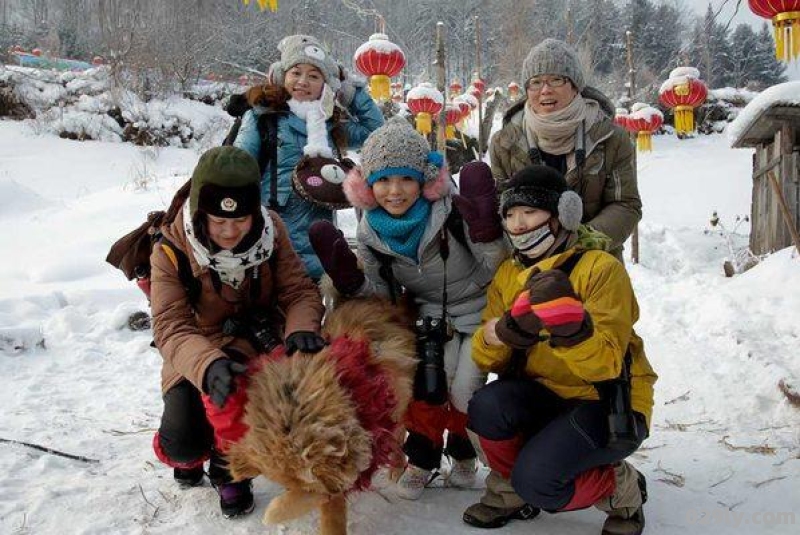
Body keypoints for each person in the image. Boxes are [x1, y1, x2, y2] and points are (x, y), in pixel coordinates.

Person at [308, 117, 509, 500]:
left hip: (481, 309)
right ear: (367, 186)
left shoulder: (450, 211)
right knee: (429, 385)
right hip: (431, 316)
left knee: (464, 389)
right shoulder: (370, 232)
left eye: (405, 179)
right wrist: (350, 281)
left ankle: (465, 452)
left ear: (424, 180)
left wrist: (485, 231)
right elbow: (383, 296)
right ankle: (424, 456)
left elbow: (492, 268)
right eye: (383, 180)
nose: (394, 191)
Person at [462, 165, 657, 534]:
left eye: (530, 212)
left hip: (605, 399)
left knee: (540, 482)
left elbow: (607, 364)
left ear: (563, 214)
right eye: (510, 214)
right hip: (545, 394)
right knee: (486, 407)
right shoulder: (507, 274)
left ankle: (622, 489)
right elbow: (485, 357)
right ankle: (510, 494)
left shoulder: (600, 267)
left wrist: (570, 329)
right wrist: (498, 335)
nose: (518, 224)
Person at [149, 146, 326, 518]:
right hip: (196, 350)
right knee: (183, 444)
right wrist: (207, 364)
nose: (229, 231)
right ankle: (194, 449)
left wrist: (300, 330)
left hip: (254, 342)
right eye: (217, 221)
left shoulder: (272, 229)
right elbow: (170, 325)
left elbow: (298, 291)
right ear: (200, 213)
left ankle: (230, 469)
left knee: (258, 407)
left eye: (241, 220)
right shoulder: (171, 249)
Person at [233, 34, 384, 281]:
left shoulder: (330, 126)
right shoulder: (263, 117)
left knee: (310, 312)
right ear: (282, 76)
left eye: (314, 76)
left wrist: (351, 92)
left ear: (325, 84)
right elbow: (237, 169)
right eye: (296, 72)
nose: (303, 81)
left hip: (319, 242)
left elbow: (375, 132)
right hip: (270, 240)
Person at [489, 38, 642, 261]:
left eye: (556, 80)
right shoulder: (505, 143)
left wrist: (580, 241)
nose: (545, 90)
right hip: (528, 265)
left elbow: (626, 204)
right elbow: (500, 204)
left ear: (575, 85)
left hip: (595, 262)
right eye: (536, 82)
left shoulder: (609, 138)